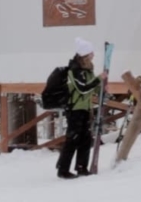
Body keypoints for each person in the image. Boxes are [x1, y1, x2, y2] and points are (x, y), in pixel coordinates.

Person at [55, 37, 107, 179]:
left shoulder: (88, 69)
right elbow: (82, 88)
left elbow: (92, 88)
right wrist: (98, 79)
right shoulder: (75, 70)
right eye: (91, 53)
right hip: (75, 110)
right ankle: (63, 170)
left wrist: (101, 89)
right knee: (73, 139)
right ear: (84, 54)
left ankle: (81, 167)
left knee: (85, 139)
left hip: (85, 108)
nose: (93, 55)